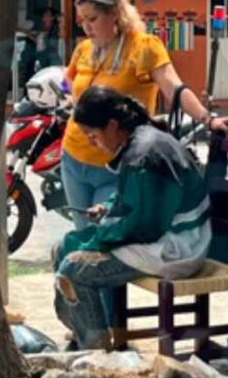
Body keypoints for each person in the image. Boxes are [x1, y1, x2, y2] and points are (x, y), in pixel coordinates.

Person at [62, 0, 228, 227]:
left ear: (115, 14)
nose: (87, 27)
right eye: (82, 21)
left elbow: (173, 86)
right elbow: (69, 82)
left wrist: (208, 119)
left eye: (93, 19)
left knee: (103, 233)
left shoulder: (143, 47)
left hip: (118, 164)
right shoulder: (84, 49)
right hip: (73, 158)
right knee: (82, 232)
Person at [54, 85, 211, 351]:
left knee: (74, 270)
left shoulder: (144, 154)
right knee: (62, 247)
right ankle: (85, 336)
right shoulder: (140, 143)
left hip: (176, 246)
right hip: (160, 234)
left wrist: (100, 234)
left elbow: (143, 225)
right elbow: (134, 199)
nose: (93, 143)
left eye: (92, 135)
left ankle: (96, 353)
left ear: (113, 125)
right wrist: (108, 208)